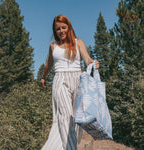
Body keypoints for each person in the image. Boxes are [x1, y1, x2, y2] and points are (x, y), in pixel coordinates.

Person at [41, 14, 99, 150]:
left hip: (78, 80)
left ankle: (68, 145)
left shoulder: (78, 42)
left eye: (63, 28)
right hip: (60, 80)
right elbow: (49, 64)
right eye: (58, 29)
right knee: (65, 117)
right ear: (55, 31)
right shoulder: (53, 46)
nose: (61, 31)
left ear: (69, 28)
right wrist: (43, 76)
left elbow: (87, 59)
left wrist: (93, 63)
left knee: (76, 119)